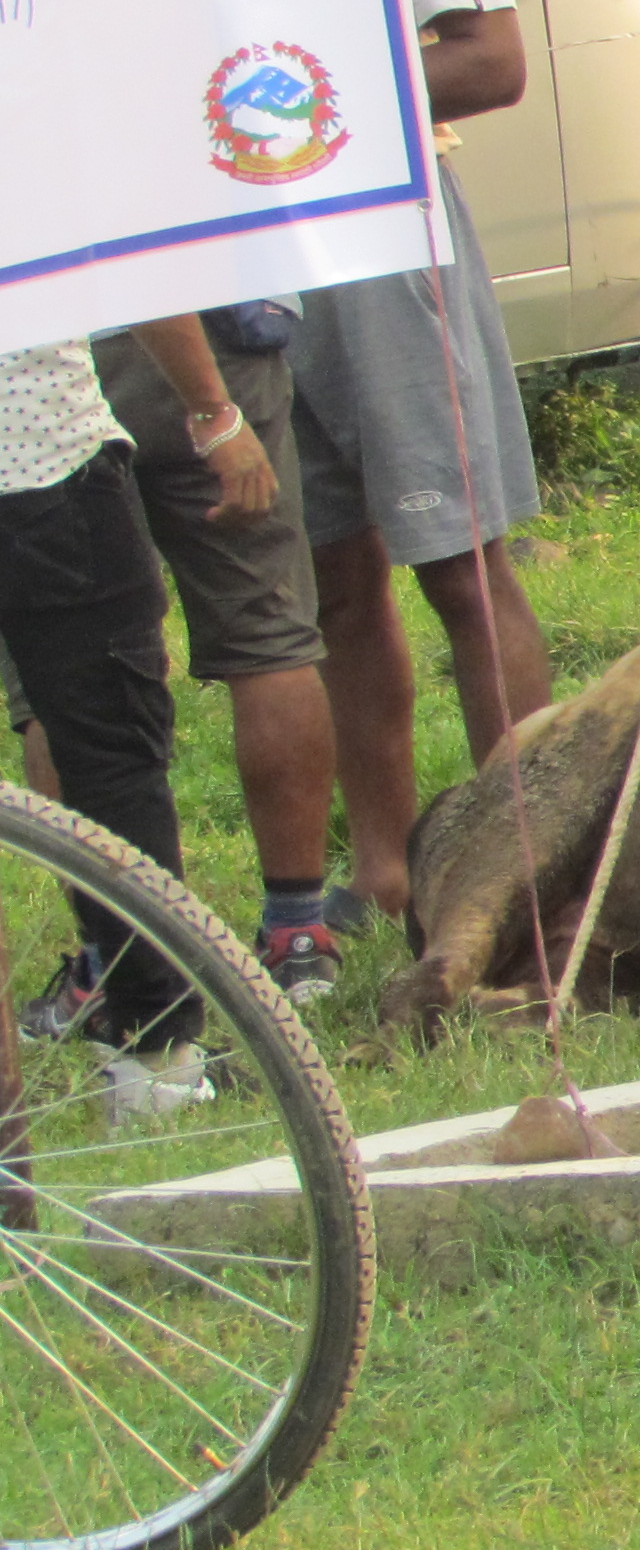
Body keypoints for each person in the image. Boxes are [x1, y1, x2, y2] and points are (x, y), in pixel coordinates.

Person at [294, 0, 558, 920]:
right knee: (334, 580)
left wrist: (306, 98)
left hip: (385, 234)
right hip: (270, 249)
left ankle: (526, 859)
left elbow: (493, 60)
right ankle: (387, 871)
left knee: (459, 561)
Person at [10, 303, 347, 1002]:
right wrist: (213, 409)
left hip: (47, 386)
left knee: (59, 694)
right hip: (163, 343)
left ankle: (114, 962)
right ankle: (297, 935)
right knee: (265, 635)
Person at [0, 334, 221, 1122]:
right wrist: (216, 410)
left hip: (40, 467)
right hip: (41, 462)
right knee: (117, 765)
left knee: (106, 757)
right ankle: (159, 1055)